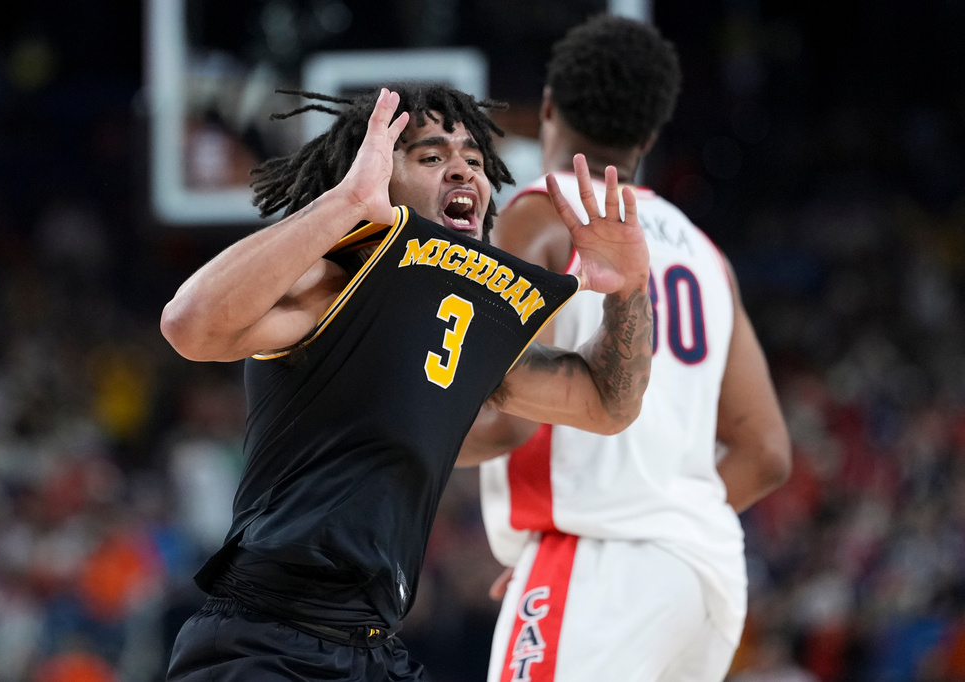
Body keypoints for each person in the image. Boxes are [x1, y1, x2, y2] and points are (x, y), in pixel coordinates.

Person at [159, 82, 654, 681]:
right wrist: (344, 205)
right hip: (269, 635)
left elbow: (608, 404)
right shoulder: (329, 282)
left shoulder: (467, 325)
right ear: (374, 179)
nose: (463, 171)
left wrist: (628, 291)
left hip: (374, 648)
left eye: (474, 159)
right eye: (430, 156)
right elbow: (189, 325)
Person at [458, 15, 793, 682]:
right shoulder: (704, 252)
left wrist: (379, 427)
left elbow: (504, 415)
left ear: (548, 106)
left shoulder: (536, 213)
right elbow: (767, 455)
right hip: (708, 574)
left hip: (601, 560)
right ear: (648, 135)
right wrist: (660, 522)